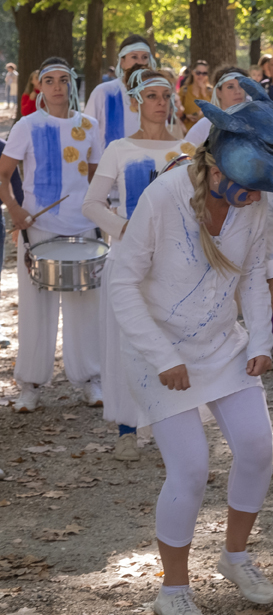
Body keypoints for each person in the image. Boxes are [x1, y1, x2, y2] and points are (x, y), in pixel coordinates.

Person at [106, 141, 273, 615]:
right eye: (243, 187)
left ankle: (236, 557)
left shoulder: (254, 198)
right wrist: (163, 356)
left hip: (223, 343)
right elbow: (122, 283)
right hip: (156, 349)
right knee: (190, 467)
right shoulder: (164, 197)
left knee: (257, 447)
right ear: (216, 169)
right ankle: (173, 589)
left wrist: (261, 340)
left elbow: (254, 274)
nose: (251, 197)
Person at [83, 68, 185, 461]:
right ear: (135, 102)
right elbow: (92, 203)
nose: (160, 103)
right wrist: (124, 229)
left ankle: (170, 425)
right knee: (128, 343)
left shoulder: (186, 154)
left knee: (171, 339)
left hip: (174, 263)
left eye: (165, 96)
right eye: (153, 96)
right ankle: (127, 426)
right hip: (128, 260)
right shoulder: (119, 149)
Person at [1, 58, 104, 414]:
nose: (57, 86)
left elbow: (96, 180)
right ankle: (29, 384)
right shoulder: (26, 126)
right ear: (39, 87)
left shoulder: (90, 125)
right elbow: (3, 174)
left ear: (72, 85)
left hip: (82, 229)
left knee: (86, 309)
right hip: (39, 229)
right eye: (49, 80)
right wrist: (15, 211)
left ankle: (90, 379)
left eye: (64, 79)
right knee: (35, 310)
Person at [83, 35, 156, 148]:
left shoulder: (156, 94)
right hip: (109, 163)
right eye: (134, 57)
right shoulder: (104, 92)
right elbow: (86, 132)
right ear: (122, 61)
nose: (140, 62)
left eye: (145, 57)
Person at [178, 61, 210, 130]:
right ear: (193, 72)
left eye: (204, 73)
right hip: (187, 132)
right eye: (198, 73)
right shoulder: (184, 90)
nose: (201, 76)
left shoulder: (211, 91)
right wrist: (186, 116)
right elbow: (175, 110)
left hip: (206, 134)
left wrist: (204, 93)